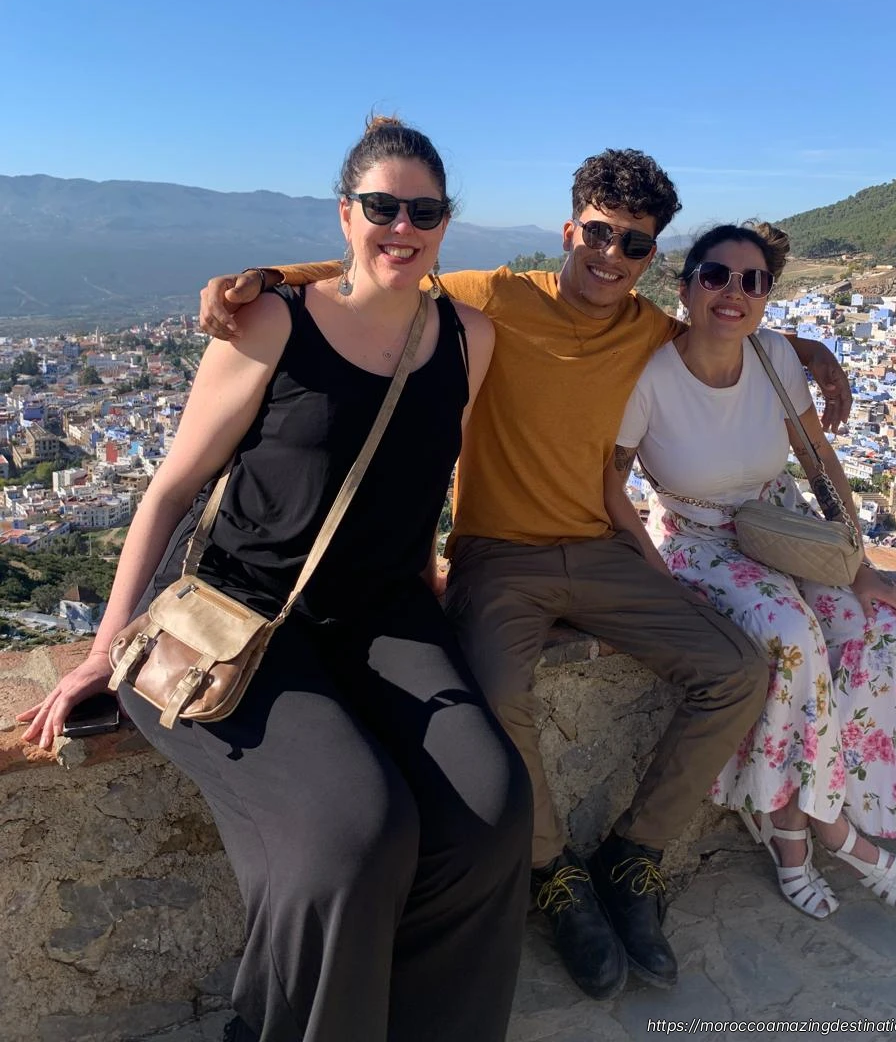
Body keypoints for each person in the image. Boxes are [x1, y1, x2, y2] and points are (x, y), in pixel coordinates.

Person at [197, 150, 853, 999]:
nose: (611, 255)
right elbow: (383, 266)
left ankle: (634, 855)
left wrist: (809, 347)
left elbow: (729, 327)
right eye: (599, 232)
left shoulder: (648, 327)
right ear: (570, 228)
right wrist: (262, 278)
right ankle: (554, 875)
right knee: (501, 694)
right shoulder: (498, 297)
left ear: (652, 255)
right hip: (499, 553)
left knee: (734, 671)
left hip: (604, 549)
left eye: (635, 243)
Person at [19, 117, 533, 1042]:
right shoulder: (270, 322)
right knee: (351, 833)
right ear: (345, 214)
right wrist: (107, 647)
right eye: (381, 206)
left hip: (386, 614)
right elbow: (170, 488)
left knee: (493, 812)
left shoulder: (469, 340)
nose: (401, 226)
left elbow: (417, 486)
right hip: (236, 612)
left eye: (424, 210)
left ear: (447, 223)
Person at [606, 222, 896, 923]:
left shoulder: (777, 357)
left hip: (780, 529)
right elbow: (612, 483)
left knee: (880, 627)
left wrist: (859, 565)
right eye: (717, 275)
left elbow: (819, 464)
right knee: (793, 634)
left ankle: (819, 809)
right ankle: (811, 831)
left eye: (753, 281)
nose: (734, 293)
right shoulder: (649, 376)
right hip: (700, 542)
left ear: (766, 296)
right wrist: (646, 568)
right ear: (686, 285)